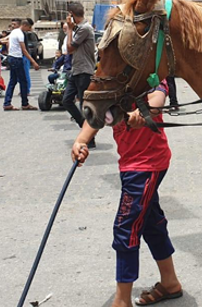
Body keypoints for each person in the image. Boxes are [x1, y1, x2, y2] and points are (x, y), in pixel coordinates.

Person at [71, 80, 183, 307]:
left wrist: (141, 114)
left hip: (148, 164)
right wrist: (81, 140)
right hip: (130, 164)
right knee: (151, 222)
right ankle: (170, 282)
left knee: (126, 226)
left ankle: (122, 301)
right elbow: (97, 113)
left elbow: (157, 99)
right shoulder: (112, 78)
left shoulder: (150, 75)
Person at [64, 2, 97, 148]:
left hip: (85, 71)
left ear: (71, 14)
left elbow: (70, 49)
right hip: (76, 70)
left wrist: (70, 30)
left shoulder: (85, 28)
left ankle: (89, 136)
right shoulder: (79, 28)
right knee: (66, 100)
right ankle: (85, 129)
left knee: (84, 105)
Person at [3, 19, 39, 111]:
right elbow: (24, 50)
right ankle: (25, 103)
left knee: (12, 81)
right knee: (23, 82)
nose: (29, 29)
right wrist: (33, 62)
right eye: (29, 27)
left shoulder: (14, 32)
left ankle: (7, 103)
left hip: (11, 58)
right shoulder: (20, 34)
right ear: (25, 25)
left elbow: (7, 42)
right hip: (17, 59)